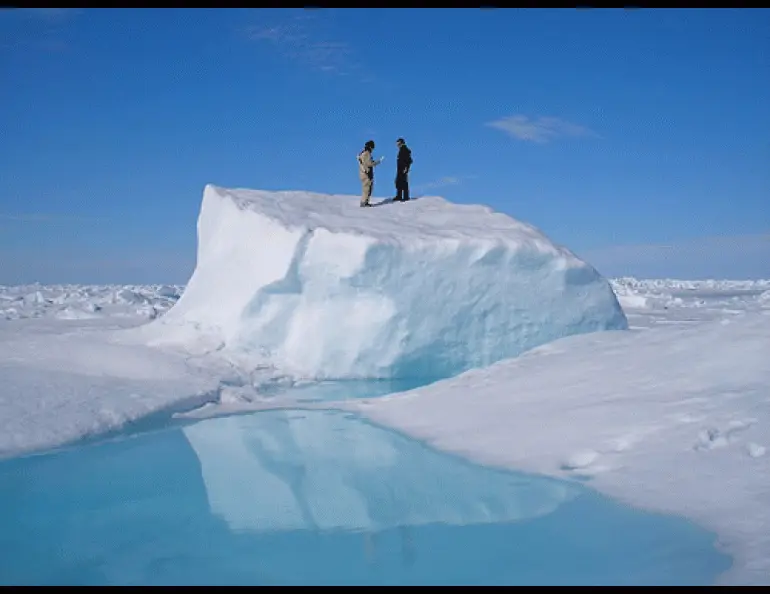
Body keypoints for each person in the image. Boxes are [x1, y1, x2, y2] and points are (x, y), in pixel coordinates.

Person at [357, 140, 383, 207]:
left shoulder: (362, 153)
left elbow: (364, 162)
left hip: (362, 173)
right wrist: (378, 162)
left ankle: (365, 202)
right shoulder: (367, 153)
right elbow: (369, 163)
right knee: (367, 189)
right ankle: (364, 203)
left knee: (366, 188)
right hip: (366, 174)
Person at [394, 138, 412, 202]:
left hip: (403, 169)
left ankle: (405, 197)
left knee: (404, 182)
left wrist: (406, 168)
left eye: (398, 144)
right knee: (399, 182)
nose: (397, 145)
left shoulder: (405, 150)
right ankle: (399, 196)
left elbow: (409, 160)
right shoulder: (401, 149)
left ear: (401, 143)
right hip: (400, 168)